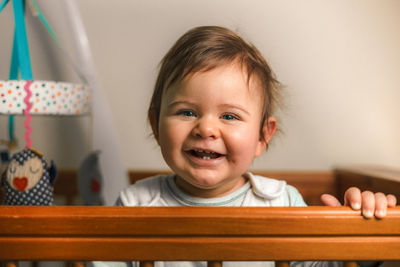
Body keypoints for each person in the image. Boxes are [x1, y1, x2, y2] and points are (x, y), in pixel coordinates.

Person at [93, 26, 397, 267]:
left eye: (229, 115)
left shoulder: (282, 203)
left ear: (263, 137)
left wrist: (356, 234)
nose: (207, 128)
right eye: (187, 112)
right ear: (155, 124)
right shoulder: (135, 205)